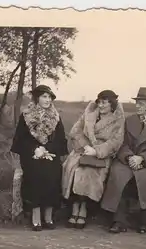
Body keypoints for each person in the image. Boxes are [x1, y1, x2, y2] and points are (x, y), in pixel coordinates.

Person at [100, 87, 146, 234]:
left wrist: (142, 158)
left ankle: (144, 221)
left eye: (141, 104)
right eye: (137, 103)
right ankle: (118, 220)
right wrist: (130, 157)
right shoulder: (128, 121)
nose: (137, 106)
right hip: (127, 159)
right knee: (118, 175)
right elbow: (121, 143)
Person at [62, 90, 125, 229]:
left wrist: (96, 151)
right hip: (82, 150)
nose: (100, 106)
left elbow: (116, 141)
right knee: (72, 168)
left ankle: (83, 208)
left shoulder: (117, 119)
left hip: (100, 156)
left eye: (104, 103)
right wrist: (85, 147)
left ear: (112, 104)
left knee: (88, 173)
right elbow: (75, 131)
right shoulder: (89, 113)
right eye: (99, 102)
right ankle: (74, 205)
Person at [10, 85, 68, 231]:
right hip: (31, 154)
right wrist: (34, 150)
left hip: (50, 153)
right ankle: (35, 215)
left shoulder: (55, 116)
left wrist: (48, 150)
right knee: (36, 173)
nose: (47, 100)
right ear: (37, 98)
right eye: (44, 96)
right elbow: (20, 139)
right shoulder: (27, 115)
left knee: (53, 173)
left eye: (49, 97)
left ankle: (48, 215)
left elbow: (61, 139)